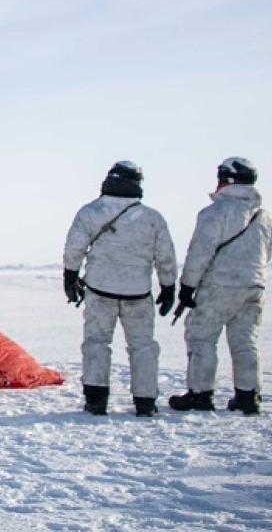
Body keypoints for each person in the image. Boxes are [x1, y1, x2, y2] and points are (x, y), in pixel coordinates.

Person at [62, 160, 177, 417]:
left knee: (96, 343)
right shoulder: (152, 218)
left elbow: (74, 249)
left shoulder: (90, 212)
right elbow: (166, 256)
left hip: (100, 290)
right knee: (143, 347)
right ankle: (145, 401)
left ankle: (96, 398)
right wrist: (169, 287)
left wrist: (70, 278)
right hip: (138, 293)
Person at [170, 157, 272, 415]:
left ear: (226, 180)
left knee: (202, 338)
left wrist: (187, 287)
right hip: (254, 287)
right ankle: (248, 396)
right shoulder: (265, 217)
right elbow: (268, 253)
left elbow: (200, 252)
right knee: (245, 340)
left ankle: (200, 394)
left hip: (219, 286)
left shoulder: (214, 213)